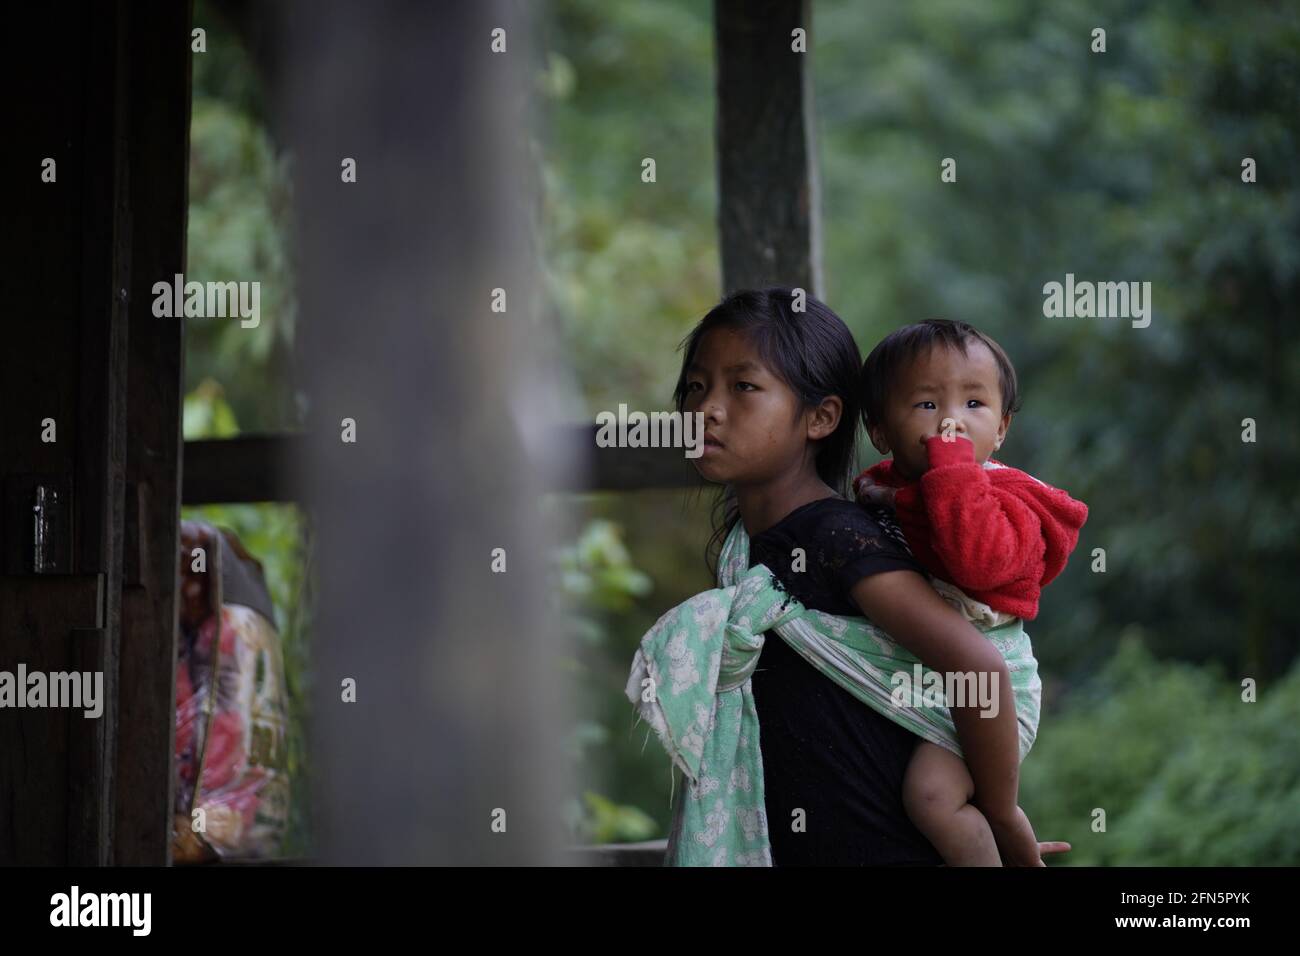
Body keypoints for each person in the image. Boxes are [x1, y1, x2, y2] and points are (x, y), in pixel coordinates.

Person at [631, 287, 1067, 865]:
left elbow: (979, 667)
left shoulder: (837, 538)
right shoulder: (749, 552)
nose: (707, 408)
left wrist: (1000, 815)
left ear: (821, 417)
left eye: (743, 386)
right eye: (695, 386)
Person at [852, 319, 1088, 865]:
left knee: (934, 798)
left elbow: (976, 563)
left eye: (975, 404)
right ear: (882, 430)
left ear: (1002, 428)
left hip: (995, 686)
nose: (953, 422)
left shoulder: (1008, 497)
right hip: (924, 679)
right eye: (928, 406)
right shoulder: (892, 489)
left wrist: (953, 473)